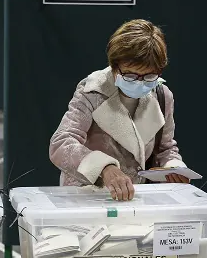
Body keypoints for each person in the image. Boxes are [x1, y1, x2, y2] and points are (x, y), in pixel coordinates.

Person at [49, 19, 189, 202]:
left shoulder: (162, 95)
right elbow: (62, 143)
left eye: (149, 75)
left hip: (135, 198)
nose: (140, 82)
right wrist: (104, 168)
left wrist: (173, 167)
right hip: (89, 197)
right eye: (130, 75)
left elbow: (166, 148)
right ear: (115, 68)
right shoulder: (92, 92)